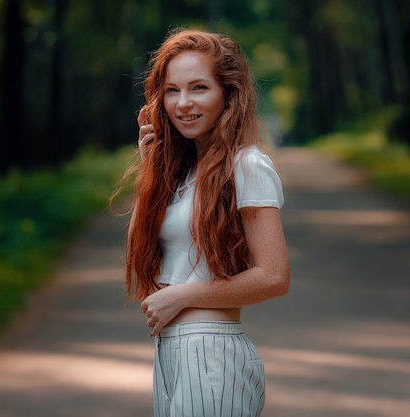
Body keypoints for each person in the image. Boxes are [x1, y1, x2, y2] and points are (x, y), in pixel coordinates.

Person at [120, 28, 290, 417]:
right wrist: (151, 174)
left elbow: (274, 276)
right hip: (172, 352)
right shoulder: (183, 174)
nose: (183, 104)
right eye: (171, 91)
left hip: (211, 352)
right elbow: (139, 256)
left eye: (199, 88)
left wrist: (182, 295)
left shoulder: (246, 164)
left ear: (228, 95)